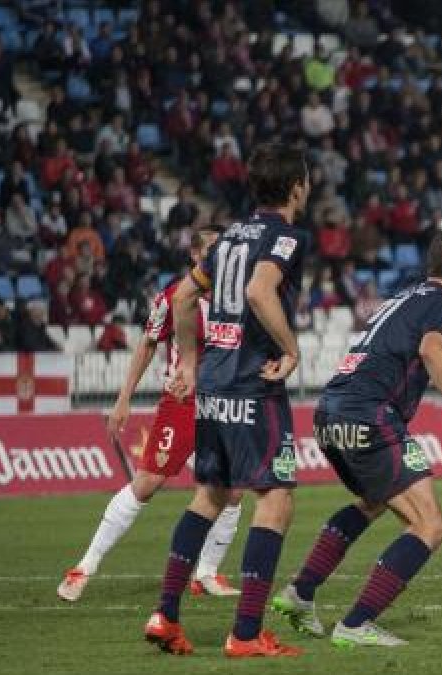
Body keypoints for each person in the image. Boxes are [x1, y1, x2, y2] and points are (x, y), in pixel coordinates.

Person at [271, 229, 442, 648]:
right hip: (370, 414)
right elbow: (432, 350)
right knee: (429, 525)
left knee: (374, 502)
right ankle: (356, 624)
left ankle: (300, 593)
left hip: (330, 411)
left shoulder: (405, 295)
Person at [144, 143, 309, 658]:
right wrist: (291, 348)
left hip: (214, 384)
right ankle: (246, 633)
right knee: (275, 498)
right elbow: (260, 292)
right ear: (297, 187)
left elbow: (183, 297)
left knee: (210, 496)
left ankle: (165, 615)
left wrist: (190, 364)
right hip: (252, 384)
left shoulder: (231, 235)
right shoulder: (287, 237)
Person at [58, 226, 244, 602]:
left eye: (222, 247)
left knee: (234, 490)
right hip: (183, 404)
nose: (218, 253)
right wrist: (123, 399)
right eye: (211, 248)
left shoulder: (237, 297)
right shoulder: (176, 295)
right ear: (195, 255)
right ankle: (84, 567)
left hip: (224, 405)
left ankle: (207, 573)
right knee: (147, 482)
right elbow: (147, 344)